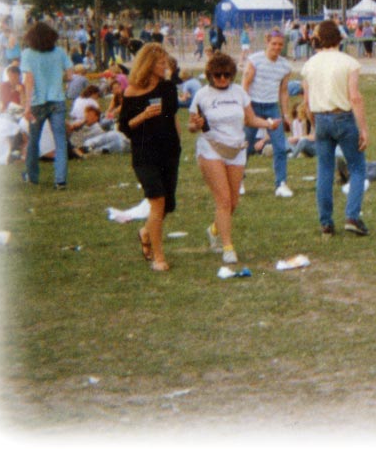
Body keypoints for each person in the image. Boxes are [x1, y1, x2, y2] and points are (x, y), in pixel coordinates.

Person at [189, 52, 275, 264]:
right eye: (218, 75)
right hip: (211, 148)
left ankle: (214, 229)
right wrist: (196, 125)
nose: (222, 79)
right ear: (210, 75)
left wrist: (269, 124)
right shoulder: (202, 95)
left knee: (233, 202)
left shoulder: (239, 93)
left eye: (227, 75)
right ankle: (228, 247)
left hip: (236, 149)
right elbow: (191, 125)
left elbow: (251, 118)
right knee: (224, 200)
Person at [301, 19, 370, 237]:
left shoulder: (309, 64)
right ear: (339, 38)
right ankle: (352, 215)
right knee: (357, 167)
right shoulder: (349, 63)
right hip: (344, 117)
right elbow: (355, 97)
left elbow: (306, 101)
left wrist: (313, 126)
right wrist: (364, 128)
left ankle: (326, 222)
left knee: (324, 170)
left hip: (321, 118)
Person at [118, 43, 181, 272]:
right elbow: (125, 127)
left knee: (166, 206)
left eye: (166, 63)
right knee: (157, 202)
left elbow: (171, 117)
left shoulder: (168, 88)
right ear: (148, 64)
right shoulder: (132, 91)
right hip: (144, 154)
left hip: (169, 151)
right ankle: (159, 257)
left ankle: (146, 232)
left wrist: (179, 144)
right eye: (161, 63)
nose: (165, 67)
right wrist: (143, 115)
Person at [21, 21, 73, 189]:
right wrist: (58, 80)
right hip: (57, 100)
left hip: (37, 102)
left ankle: (32, 175)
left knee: (34, 140)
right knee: (60, 140)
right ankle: (60, 180)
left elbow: (29, 80)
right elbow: (70, 75)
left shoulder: (27, 54)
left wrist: (27, 105)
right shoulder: (59, 52)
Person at [242, 30, 294, 198]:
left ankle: (281, 183)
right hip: (253, 106)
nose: (277, 47)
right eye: (274, 44)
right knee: (246, 145)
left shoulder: (285, 66)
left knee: (280, 146)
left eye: (280, 44)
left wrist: (286, 114)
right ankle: (238, 180)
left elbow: (284, 91)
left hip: (272, 108)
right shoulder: (255, 60)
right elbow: (245, 85)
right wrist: (246, 109)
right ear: (267, 42)